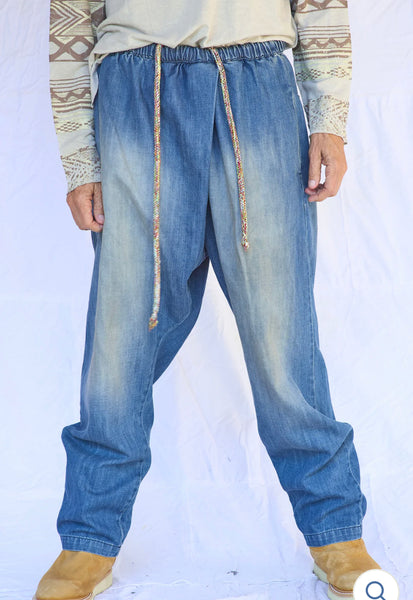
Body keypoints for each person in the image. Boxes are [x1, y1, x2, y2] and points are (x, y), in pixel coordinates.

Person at [34, 1, 381, 599]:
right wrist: (78, 159)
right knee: (120, 337)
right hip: (135, 93)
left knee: (282, 337)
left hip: (259, 90)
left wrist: (328, 118)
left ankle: (336, 534)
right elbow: (69, 20)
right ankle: (89, 537)